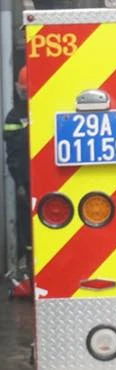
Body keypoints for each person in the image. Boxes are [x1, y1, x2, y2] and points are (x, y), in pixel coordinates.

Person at [3, 67, 31, 264]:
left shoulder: (17, 115)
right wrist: (20, 183)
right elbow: (14, 153)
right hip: (28, 181)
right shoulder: (15, 116)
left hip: (37, 179)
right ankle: (28, 260)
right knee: (27, 223)